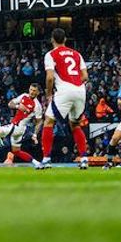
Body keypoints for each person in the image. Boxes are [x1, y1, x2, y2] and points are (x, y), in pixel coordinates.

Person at [38, 27, 89, 170]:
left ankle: (46, 159)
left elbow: (49, 77)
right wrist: (75, 83)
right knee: (76, 125)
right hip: (80, 90)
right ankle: (84, 158)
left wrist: (48, 94)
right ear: (65, 39)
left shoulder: (51, 54)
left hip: (64, 90)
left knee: (48, 121)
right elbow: (85, 76)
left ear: (52, 40)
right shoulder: (77, 54)